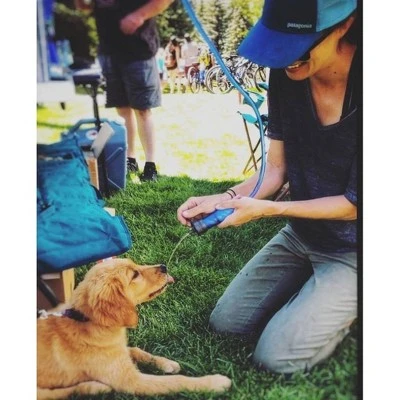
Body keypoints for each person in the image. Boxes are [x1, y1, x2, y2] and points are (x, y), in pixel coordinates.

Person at [177, 0, 359, 375]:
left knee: (276, 358)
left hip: (356, 247)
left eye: (297, 46)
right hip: (304, 233)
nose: (285, 58)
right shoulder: (287, 74)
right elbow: (275, 171)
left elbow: (355, 205)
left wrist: (270, 210)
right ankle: (319, 288)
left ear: (344, 24)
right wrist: (226, 198)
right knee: (227, 323)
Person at [75, 0, 174, 182]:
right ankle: (130, 159)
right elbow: (89, 6)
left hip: (138, 50)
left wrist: (139, 15)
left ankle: (150, 165)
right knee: (122, 110)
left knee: (143, 109)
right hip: (109, 51)